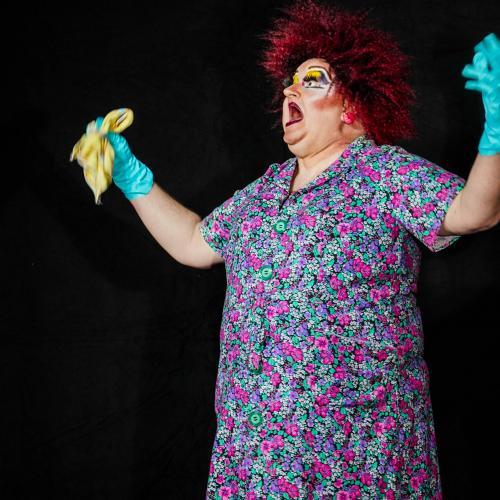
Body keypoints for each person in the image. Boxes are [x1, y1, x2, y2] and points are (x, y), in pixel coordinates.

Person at [80, 1, 499, 497]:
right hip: (257, 453)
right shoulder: (264, 190)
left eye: (313, 80)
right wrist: (133, 179)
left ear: (353, 106)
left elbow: (475, 212)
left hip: (359, 451)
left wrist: (496, 135)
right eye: (289, 82)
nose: (290, 91)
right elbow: (194, 243)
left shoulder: (384, 172)